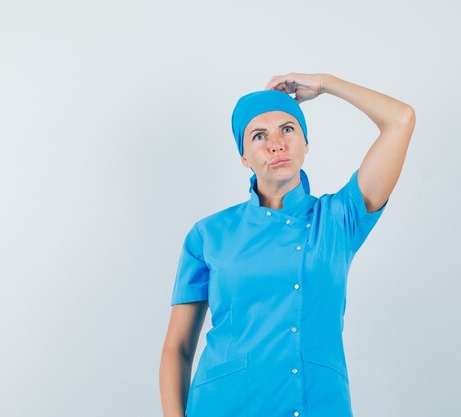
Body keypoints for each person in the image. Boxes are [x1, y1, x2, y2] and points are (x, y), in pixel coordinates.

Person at [159, 72, 415, 417]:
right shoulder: (209, 234)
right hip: (224, 405)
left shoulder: (339, 219)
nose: (276, 144)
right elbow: (177, 348)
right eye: (259, 135)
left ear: (306, 144)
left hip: (319, 405)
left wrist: (324, 84)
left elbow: (401, 120)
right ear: (244, 157)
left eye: (288, 129)